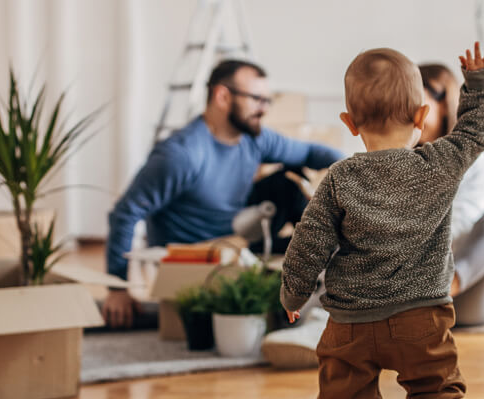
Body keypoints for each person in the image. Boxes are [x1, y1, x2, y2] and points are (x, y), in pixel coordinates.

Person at [280, 43, 484, 399]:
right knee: (434, 392)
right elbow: (474, 132)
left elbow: (307, 242)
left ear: (349, 122)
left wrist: (293, 295)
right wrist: (478, 82)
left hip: (349, 326)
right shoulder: (440, 163)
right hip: (421, 319)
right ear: (422, 115)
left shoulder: (338, 178)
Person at [103, 60, 344, 328]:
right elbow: (125, 213)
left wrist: (354, 171)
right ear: (222, 96)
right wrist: (118, 288)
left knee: (289, 186)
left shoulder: (254, 138)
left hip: (238, 243)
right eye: (256, 99)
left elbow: (311, 152)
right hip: (198, 260)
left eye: (267, 100)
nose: (263, 109)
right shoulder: (182, 155)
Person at [418, 63, 484, 326]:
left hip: (466, 293)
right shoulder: (401, 164)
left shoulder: (478, 164)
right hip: (411, 291)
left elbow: (463, 223)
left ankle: (439, 292)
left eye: (418, 103)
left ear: (442, 104)